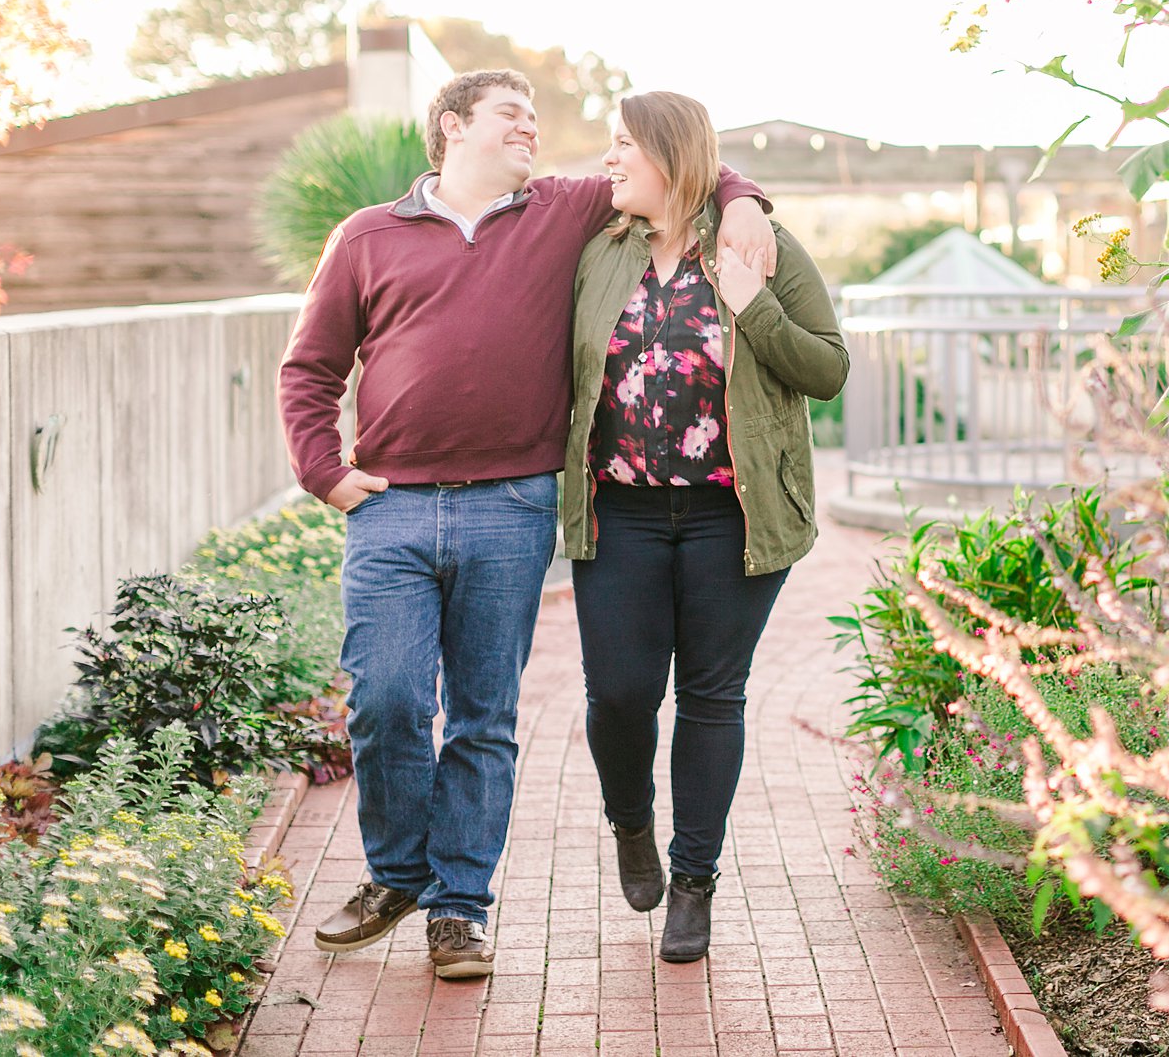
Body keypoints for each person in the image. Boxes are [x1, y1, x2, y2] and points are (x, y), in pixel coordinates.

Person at [278, 69, 776, 980]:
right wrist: (324, 469)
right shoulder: (367, 236)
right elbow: (309, 366)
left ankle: (458, 910)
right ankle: (396, 874)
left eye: (537, 120)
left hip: (510, 505)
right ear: (452, 126)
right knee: (387, 699)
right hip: (389, 506)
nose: (533, 132)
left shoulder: (558, 211)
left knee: (483, 716)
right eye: (513, 116)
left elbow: (683, 166)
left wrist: (744, 200)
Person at [560, 90, 847, 963]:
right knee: (618, 693)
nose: (608, 160)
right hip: (622, 510)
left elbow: (829, 369)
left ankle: (695, 881)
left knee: (712, 697)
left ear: (668, 156)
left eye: (622, 146)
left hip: (735, 514)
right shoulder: (596, 251)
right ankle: (632, 821)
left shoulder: (759, 244)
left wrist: (754, 302)